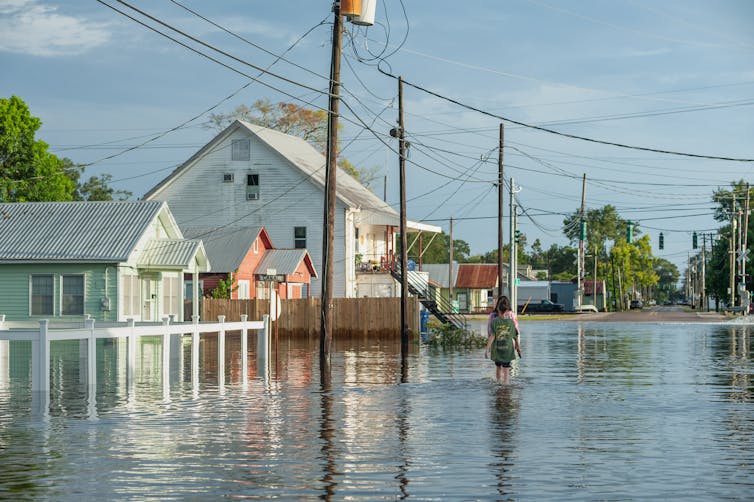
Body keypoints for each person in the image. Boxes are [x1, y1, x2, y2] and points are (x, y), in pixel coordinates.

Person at [485, 296, 522, 383]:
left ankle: (499, 383)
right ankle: (506, 384)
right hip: (508, 347)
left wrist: (488, 348)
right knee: (506, 368)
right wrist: (517, 346)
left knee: (498, 366)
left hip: (496, 346)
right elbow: (516, 333)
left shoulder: (493, 317)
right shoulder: (511, 316)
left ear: (498, 307)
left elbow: (490, 333)